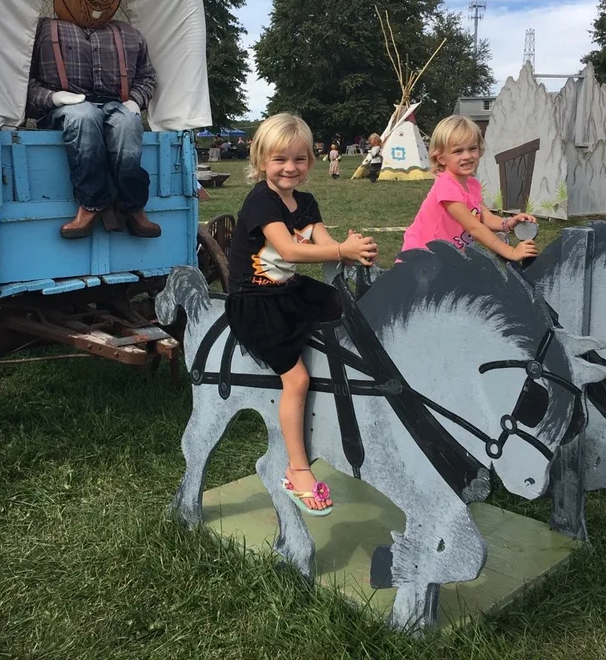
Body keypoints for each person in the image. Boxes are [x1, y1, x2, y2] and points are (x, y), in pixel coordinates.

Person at [226, 113, 378, 515]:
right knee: (296, 379)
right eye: (279, 160)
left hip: (289, 290)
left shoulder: (306, 202)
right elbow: (291, 251)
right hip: (256, 302)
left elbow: (322, 241)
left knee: (351, 313)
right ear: (261, 162)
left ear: (311, 161)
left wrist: (351, 248)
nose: (289, 168)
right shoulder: (261, 200)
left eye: (298, 159)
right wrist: (340, 250)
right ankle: (297, 470)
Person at [27, 0, 161, 239]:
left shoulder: (130, 36)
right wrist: (54, 97)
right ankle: (91, 203)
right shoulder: (44, 32)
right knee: (83, 117)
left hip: (115, 104)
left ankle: (133, 205)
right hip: (66, 109)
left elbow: (147, 77)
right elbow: (22, 81)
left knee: (129, 124)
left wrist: (135, 101)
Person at [400, 116, 537, 260]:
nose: (467, 156)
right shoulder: (446, 187)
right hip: (421, 258)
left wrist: (508, 223)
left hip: (446, 258)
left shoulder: (472, 184)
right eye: (458, 151)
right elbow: (475, 228)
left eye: (472, 148)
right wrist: (511, 252)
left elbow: (485, 217)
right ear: (441, 158)